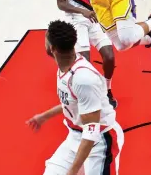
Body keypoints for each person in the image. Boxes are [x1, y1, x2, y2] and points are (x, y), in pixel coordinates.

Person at [27, 20, 123, 175]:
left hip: (99, 141)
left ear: (53, 49)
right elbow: (72, 103)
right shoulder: (66, 66)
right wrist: (44, 116)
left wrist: (73, 171)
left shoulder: (83, 79)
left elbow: (91, 132)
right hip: (75, 136)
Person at [57, 0, 117, 108]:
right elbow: (60, 3)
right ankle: (83, 97)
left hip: (94, 18)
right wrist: (82, 11)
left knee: (109, 56)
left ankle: (107, 89)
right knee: (85, 63)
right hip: (76, 20)